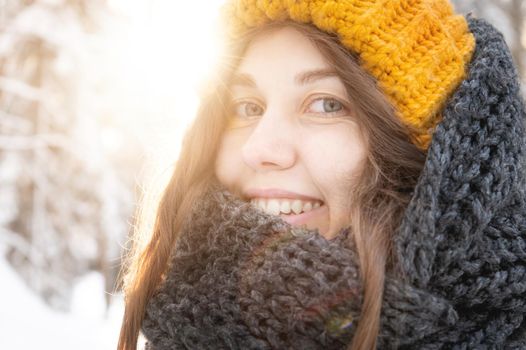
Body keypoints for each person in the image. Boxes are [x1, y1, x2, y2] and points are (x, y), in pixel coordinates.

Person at [118, 0, 526, 349]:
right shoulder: (184, 317)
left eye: (327, 105)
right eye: (247, 107)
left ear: (434, 158)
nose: (259, 149)